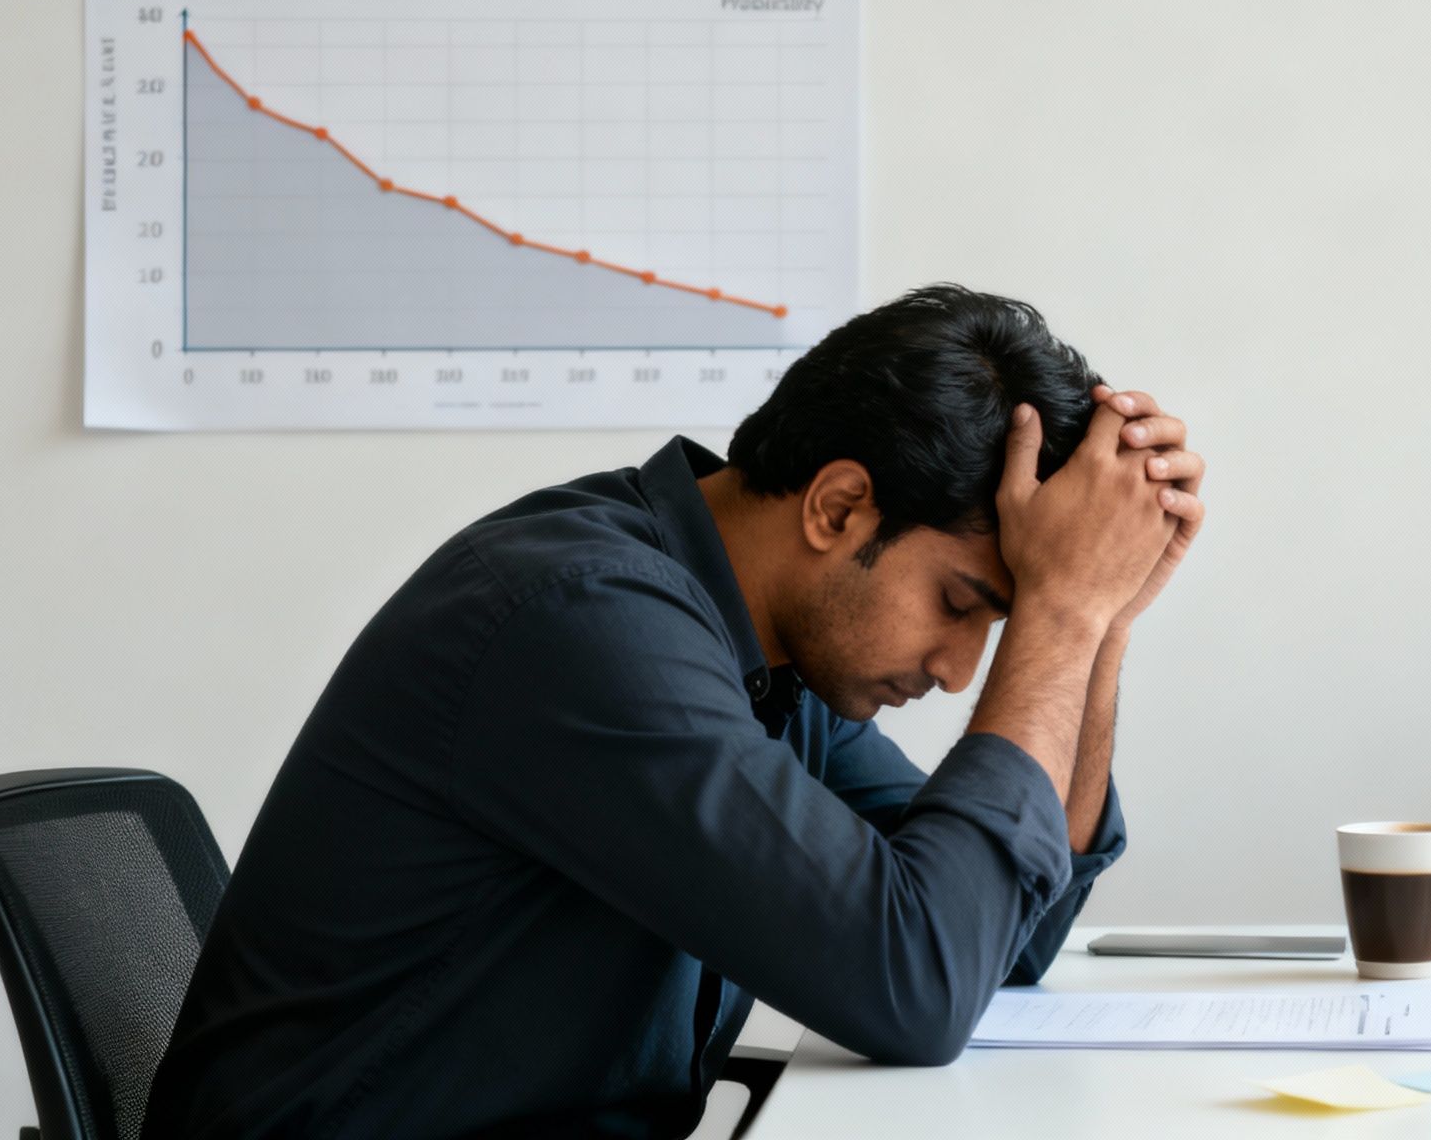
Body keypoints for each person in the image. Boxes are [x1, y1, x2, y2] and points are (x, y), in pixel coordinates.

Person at [142, 284, 1207, 1139]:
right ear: (838, 507)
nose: (961, 666)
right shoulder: (584, 627)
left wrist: (1099, 612)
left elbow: (998, 942)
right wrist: (1058, 615)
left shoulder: (767, 653)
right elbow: (916, 986)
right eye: (963, 604)